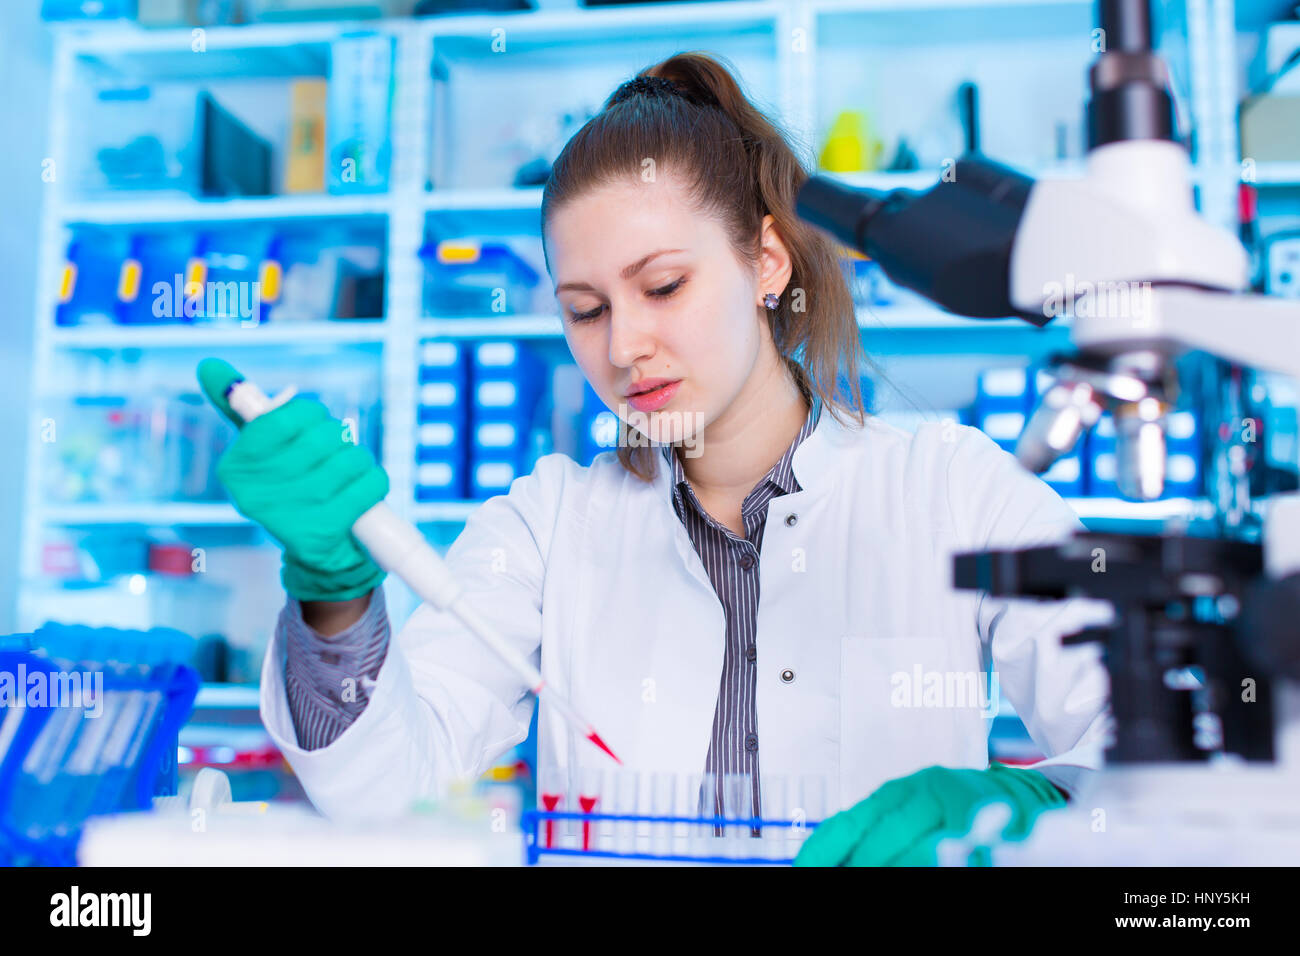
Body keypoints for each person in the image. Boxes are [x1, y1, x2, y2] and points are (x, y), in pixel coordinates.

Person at [201, 52, 1112, 867]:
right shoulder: (546, 524)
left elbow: (1151, 768)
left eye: (663, 285)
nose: (625, 344)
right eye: (585, 310)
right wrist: (336, 596)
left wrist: (1029, 804)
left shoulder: (953, 489)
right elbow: (380, 786)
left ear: (766, 260)